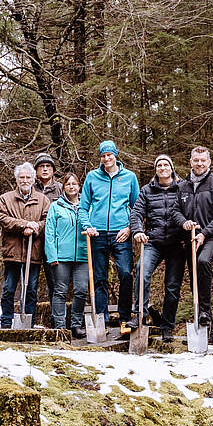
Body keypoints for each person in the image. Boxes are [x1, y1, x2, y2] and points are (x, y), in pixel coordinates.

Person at [79, 140, 140, 329]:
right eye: (103, 155)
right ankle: (101, 318)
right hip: (97, 234)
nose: (106, 158)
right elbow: (83, 207)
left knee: (125, 273)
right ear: (100, 157)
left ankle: (124, 318)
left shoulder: (129, 177)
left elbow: (138, 207)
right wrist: (88, 225)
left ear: (116, 155)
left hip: (121, 233)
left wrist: (130, 228)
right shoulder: (92, 177)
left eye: (109, 155)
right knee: (99, 277)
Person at [130, 154, 188, 341]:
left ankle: (167, 325)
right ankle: (139, 314)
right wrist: (138, 231)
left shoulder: (183, 187)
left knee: (172, 286)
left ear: (171, 168)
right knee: (141, 270)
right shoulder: (147, 190)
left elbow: (191, 210)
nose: (162, 168)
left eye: (166, 164)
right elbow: (137, 213)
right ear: (156, 169)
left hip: (176, 243)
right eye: (159, 165)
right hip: (152, 241)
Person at [179, 146, 213, 335]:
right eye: (196, 160)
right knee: (194, 282)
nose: (199, 163)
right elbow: (176, 210)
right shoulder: (183, 186)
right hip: (190, 239)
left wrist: (205, 233)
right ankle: (205, 334)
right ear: (190, 162)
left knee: (203, 262)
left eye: (203, 160)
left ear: (209, 162)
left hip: (211, 236)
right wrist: (184, 223)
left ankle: (205, 314)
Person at [0, 163, 49, 328]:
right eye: (22, 177)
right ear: (17, 179)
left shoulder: (42, 199)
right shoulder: (6, 198)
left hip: (33, 251)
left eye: (28, 177)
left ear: (34, 179)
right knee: (8, 289)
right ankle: (6, 322)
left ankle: (28, 323)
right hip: (12, 251)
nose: (25, 180)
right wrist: (24, 225)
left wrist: (36, 227)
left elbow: (48, 220)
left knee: (31, 289)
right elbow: (3, 219)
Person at [44, 172, 89, 337]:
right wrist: (52, 256)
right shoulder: (56, 206)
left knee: (81, 289)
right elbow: (49, 232)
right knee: (60, 290)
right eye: (68, 184)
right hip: (61, 256)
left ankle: (76, 325)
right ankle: (60, 326)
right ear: (63, 187)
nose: (71, 187)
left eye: (74, 184)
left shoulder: (87, 205)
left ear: (79, 186)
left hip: (83, 256)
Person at [33, 153, 63, 307]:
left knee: (55, 281)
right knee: (31, 282)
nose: (45, 169)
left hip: (55, 242)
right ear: (36, 170)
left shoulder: (61, 189)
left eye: (48, 166)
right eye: (41, 167)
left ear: (53, 170)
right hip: (34, 240)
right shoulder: (30, 188)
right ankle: (29, 319)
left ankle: (55, 318)